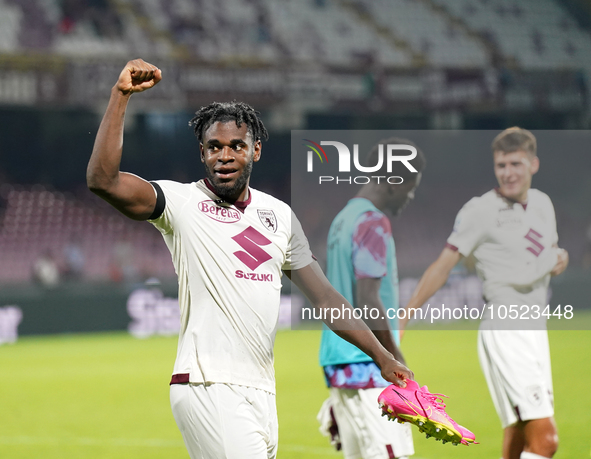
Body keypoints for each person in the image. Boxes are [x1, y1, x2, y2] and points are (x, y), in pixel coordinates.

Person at [86, 58, 413, 459]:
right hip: (208, 386)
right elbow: (103, 181)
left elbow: (326, 299)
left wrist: (383, 357)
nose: (225, 156)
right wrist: (121, 96)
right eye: (214, 147)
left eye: (236, 146)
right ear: (202, 153)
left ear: (255, 150)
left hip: (261, 390)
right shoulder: (181, 203)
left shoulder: (279, 216)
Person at [399, 128, 569, 459]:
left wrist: (560, 257)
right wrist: (406, 315)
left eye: (516, 164)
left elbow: (548, 252)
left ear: (533, 164)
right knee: (546, 440)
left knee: (519, 431)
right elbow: (442, 266)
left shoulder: (544, 205)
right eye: (501, 165)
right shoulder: (480, 211)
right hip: (506, 328)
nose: (508, 173)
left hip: (536, 328)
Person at [317, 138, 425, 459]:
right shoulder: (373, 222)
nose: (411, 195)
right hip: (367, 366)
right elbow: (367, 299)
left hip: (341, 360)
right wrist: (395, 358)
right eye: (411, 186)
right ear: (396, 181)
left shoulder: (343, 219)